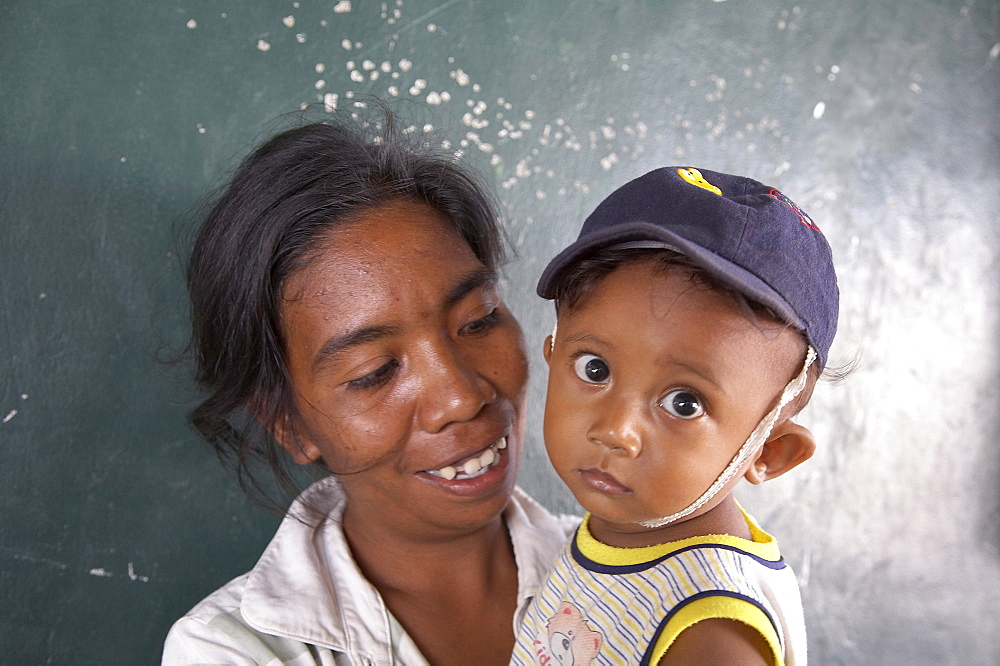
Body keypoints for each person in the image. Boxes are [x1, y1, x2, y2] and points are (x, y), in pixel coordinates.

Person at [162, 109, 575, 665]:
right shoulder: (235, 650)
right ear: (288, 423)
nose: (461, 395)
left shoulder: (659, 577)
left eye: (478, 320)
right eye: (375, 371)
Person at [511, 166, 840, 665]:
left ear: (769, 451)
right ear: (553, 354)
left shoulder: (712, 632)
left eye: (684, 403)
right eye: (594, 369)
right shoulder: (626, 531)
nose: (615, 431)